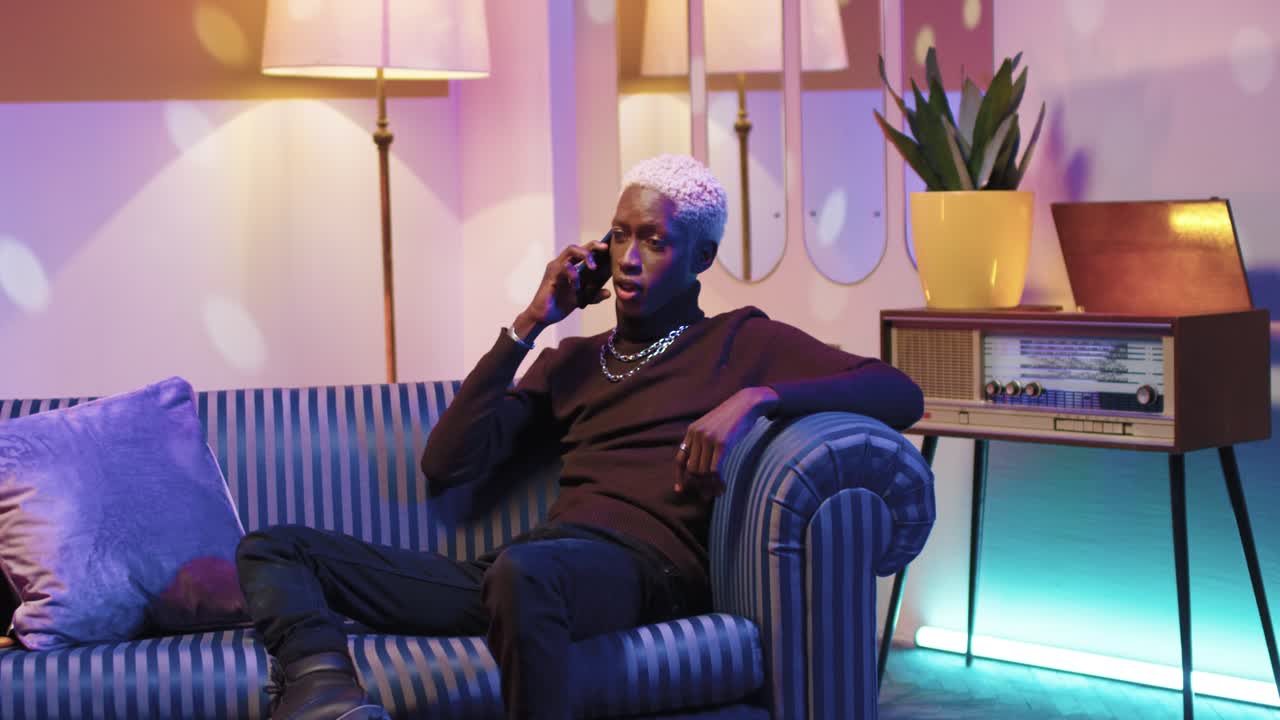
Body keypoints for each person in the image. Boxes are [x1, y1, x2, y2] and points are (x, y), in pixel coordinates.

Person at [235, 154, 923, 720]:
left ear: (701, 256)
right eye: (619, 235)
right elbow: (445, 462)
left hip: (640, 569)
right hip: (528, 572)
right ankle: (323, 691)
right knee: (273, 546)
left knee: (526, 574)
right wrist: (532, 320)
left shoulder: (739, 340)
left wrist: (759, 396)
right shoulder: (571, 361)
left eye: (655, 240)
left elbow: (899, 392)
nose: (629, 257)